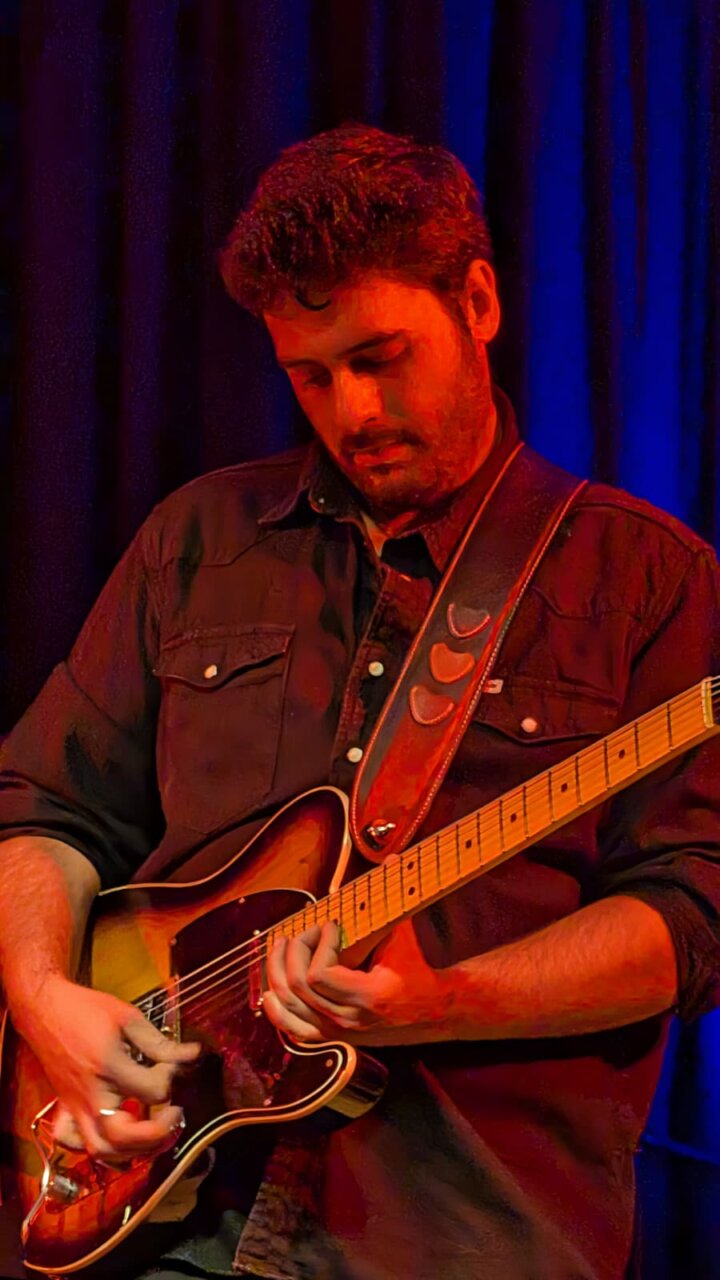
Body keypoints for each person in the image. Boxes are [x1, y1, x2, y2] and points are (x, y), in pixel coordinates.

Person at [0, 123, 719, 1280]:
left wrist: (441, 1001)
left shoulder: (647, 579)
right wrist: (45, 1001)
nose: (353, 409)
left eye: (384, 355)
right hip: (160, 1224)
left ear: (478, 301)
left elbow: (694, 915)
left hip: (465, 1229)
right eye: (312, 373)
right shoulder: (200, 537)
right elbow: (41, 805)